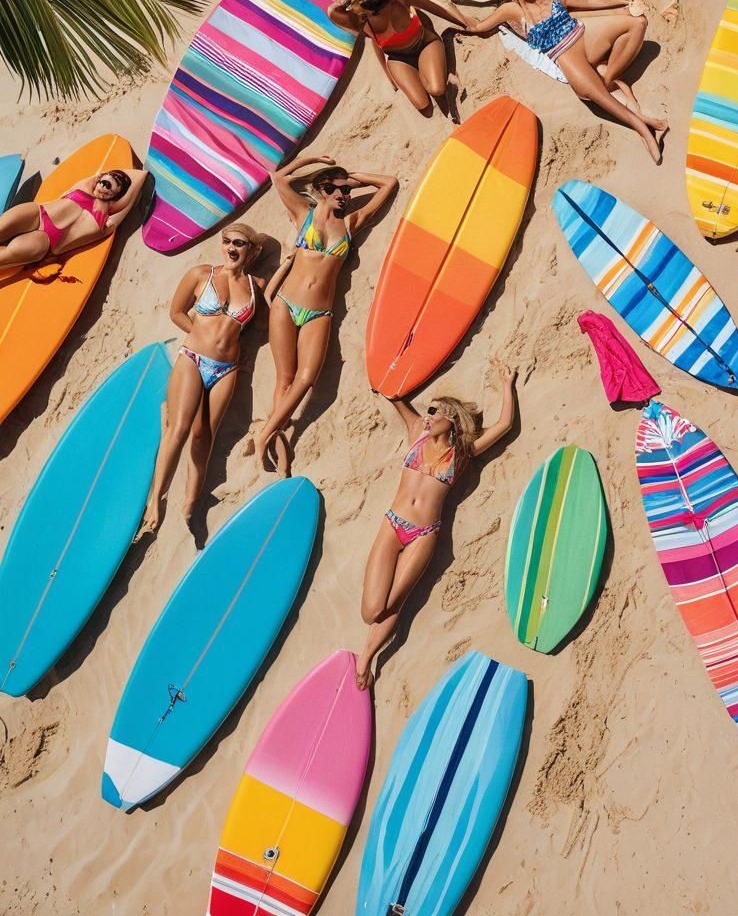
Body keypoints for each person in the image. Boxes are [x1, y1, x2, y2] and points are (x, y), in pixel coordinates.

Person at [358, 366, 518, 689]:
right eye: (427, 411)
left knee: (395, 603)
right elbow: (392, 393)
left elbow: (504, 425)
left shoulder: (463, 452)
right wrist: (385, 371)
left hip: (423, 534)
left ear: (451, 417)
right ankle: (369, 647)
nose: (427, 417)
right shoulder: (417, 431)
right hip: (392, 525)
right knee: (371, 611)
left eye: (434, 411)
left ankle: (366, 660)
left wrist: (507, 385)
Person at [257, 155, 397, 475]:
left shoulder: (351, 223)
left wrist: (354, 177)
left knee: (307, 378)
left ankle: (264, 434)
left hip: (319, 312)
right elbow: (279, 178)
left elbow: (388, 183)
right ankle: (281, 456)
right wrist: (315, 159)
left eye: (347, 191)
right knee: (284, 379)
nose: (344, 195)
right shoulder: (302, 213)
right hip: (285, 304)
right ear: (322, 189)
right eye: (337, 189)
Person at [460, 0, 667, 162]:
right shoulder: (511, 10)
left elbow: (589, 2)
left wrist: (624, 0)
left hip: (583, 34)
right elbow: (478, 26)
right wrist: (452, 16)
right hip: (565, 54)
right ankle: (643, 127)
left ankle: (610, 77)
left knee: (638, 23)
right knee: (597, 95)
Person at [139, 223, 267, 536]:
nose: (231, 248)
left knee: (203, 436)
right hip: (193, 359)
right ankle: (155, 500)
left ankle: (190, 503)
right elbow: (176, 312)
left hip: (226, 369)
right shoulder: (201, 274)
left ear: (251, 251)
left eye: (239, 244)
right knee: (179, 429)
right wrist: (198, 334)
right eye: (227, 242)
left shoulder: (256, 286)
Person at [327, 0, 470, 114]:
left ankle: (429, 63)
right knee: (423, 106)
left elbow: (438, 8)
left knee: (436, 89)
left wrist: (465, 24)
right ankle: (426, 70)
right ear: (370, 11)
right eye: (385, 0)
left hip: (424, 44)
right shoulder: (362, 20)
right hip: (398, 59)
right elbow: (331, 11)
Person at [0, 167, 148, 272]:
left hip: (47, 242)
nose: (103, 187)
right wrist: (104, 177)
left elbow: (138, 180)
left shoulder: (107, 221)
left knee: (4, 257)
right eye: (103, 182)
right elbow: (103, 175)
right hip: (37, 213)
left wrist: (121, 188)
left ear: (117, 195)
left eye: (109, 187)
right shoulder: (84, 188)